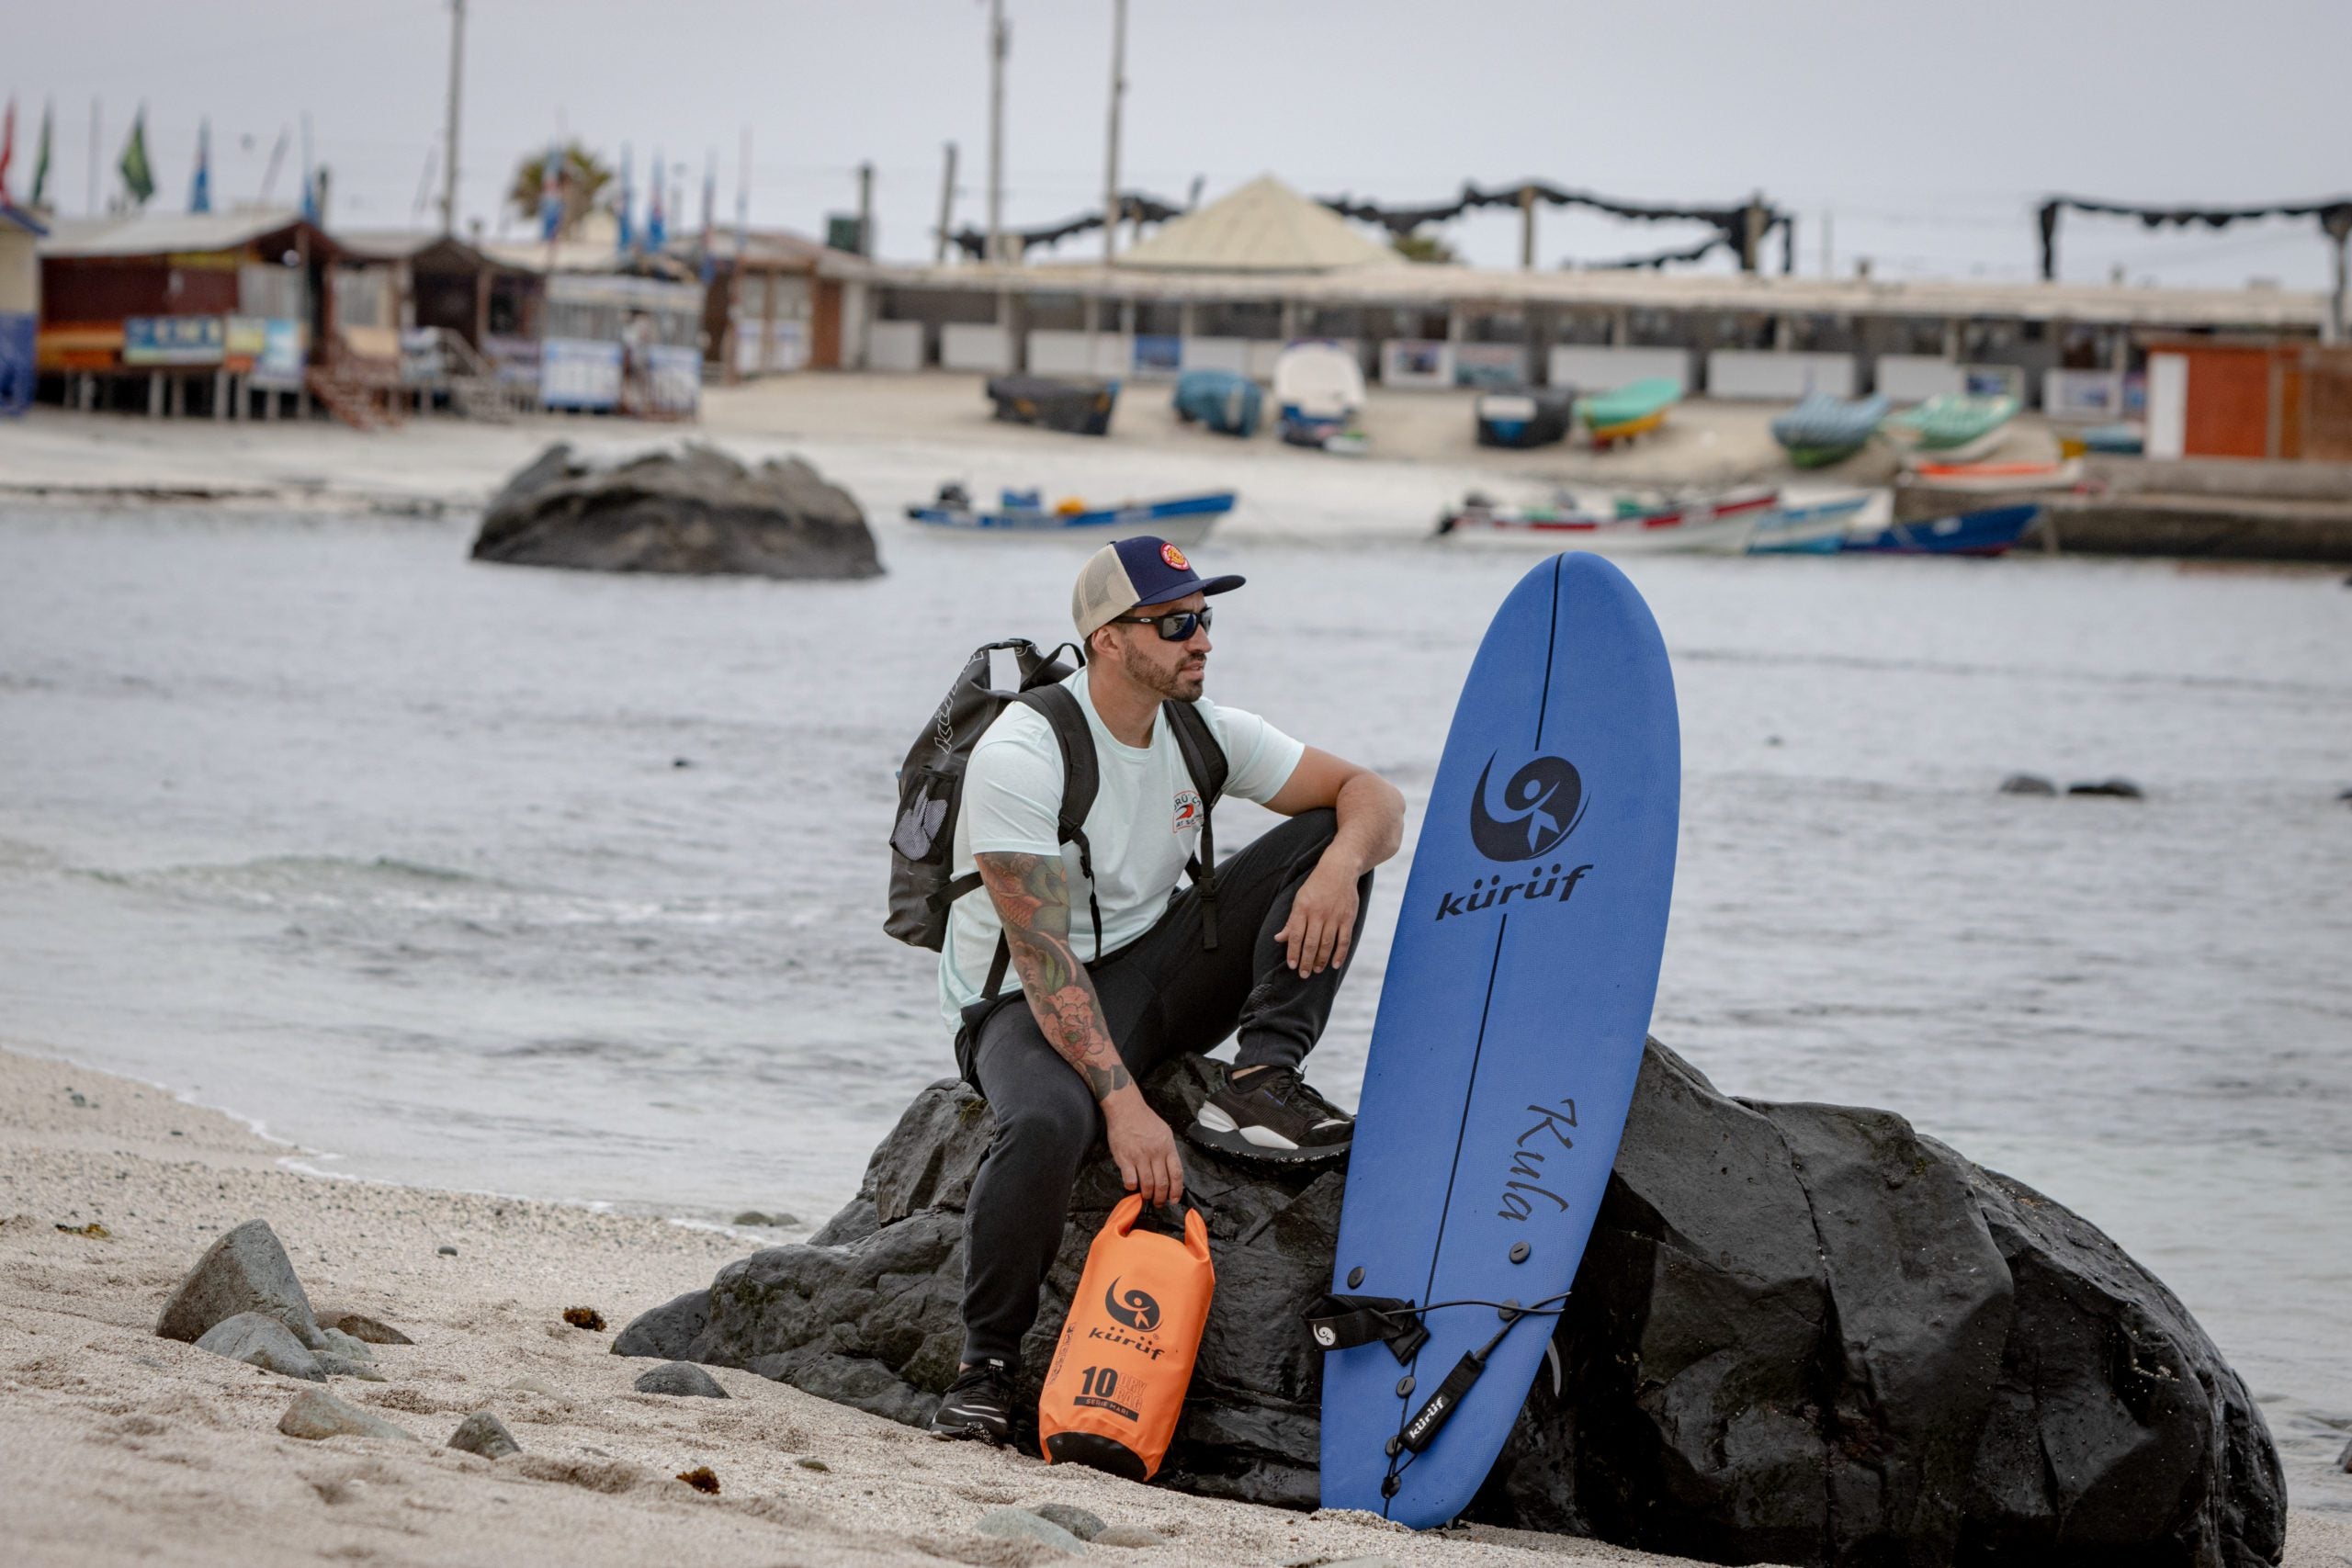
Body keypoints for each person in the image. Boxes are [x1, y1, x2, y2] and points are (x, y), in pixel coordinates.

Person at [929, 536, 1405, 1445]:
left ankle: (1261, 1081)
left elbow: (1372, 795)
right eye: (1177, 622)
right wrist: (1124, 1105)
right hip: (1021, 1001)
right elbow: (1042, 959)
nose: (1202, 641)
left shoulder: (1202, 729)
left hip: (1152, 969)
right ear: (1110, 638)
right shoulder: (1024, 751)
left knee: (1322, 836)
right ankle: (983, 1368)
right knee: (1049, 1124)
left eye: (1206, 618)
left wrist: (1339, 867)